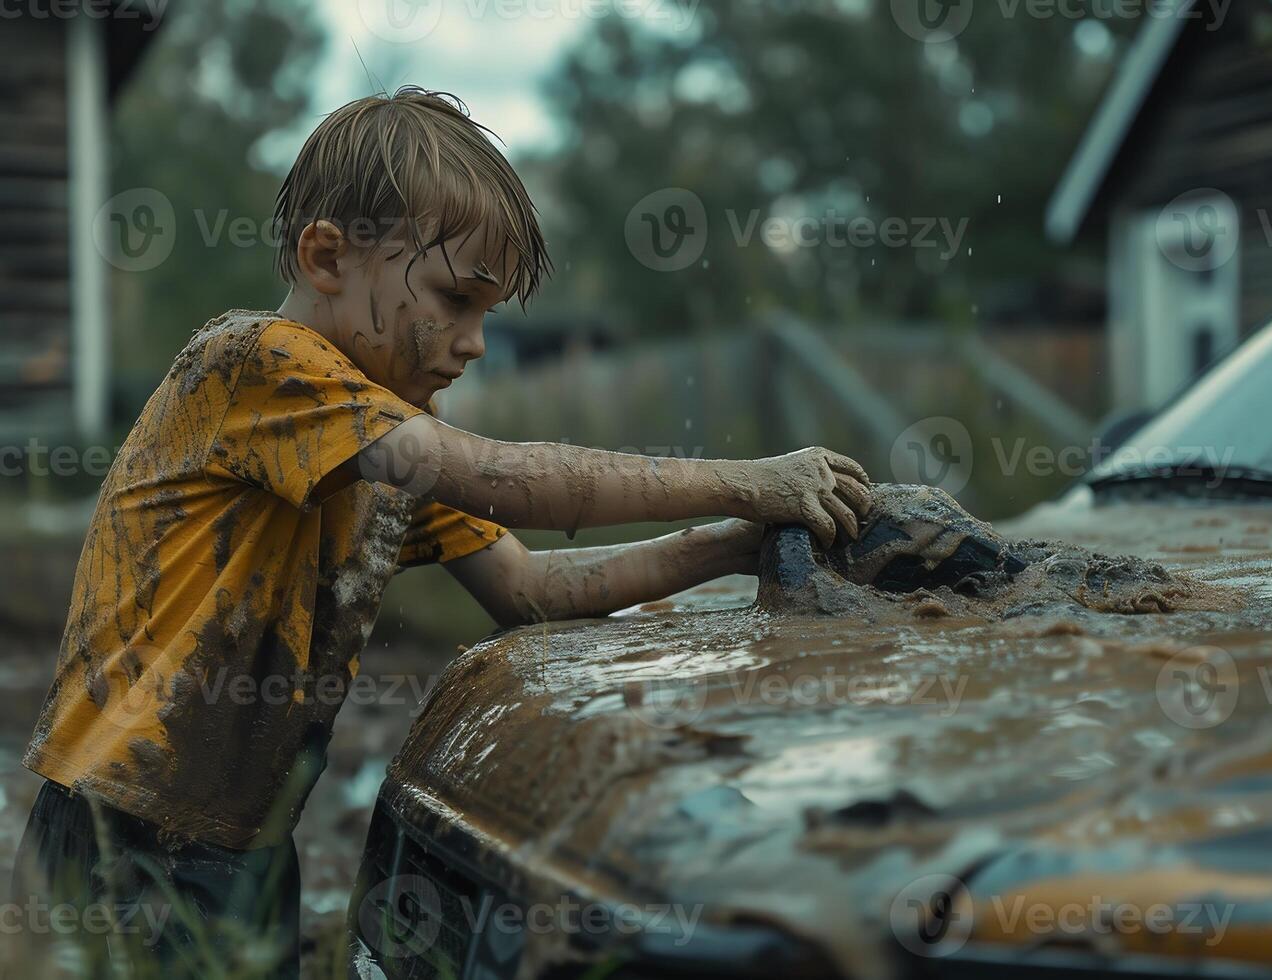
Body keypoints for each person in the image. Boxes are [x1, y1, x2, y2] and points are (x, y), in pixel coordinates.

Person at [9, 86, 871, 977]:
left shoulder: (384, 446)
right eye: (456, 298)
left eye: (487, 313)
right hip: (121, 828)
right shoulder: (256, 365)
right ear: (328, 257)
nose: (475, 343)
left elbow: (533, 590)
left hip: (246, 835)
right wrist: (744, 478)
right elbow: (504, 478)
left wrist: (733, 539)